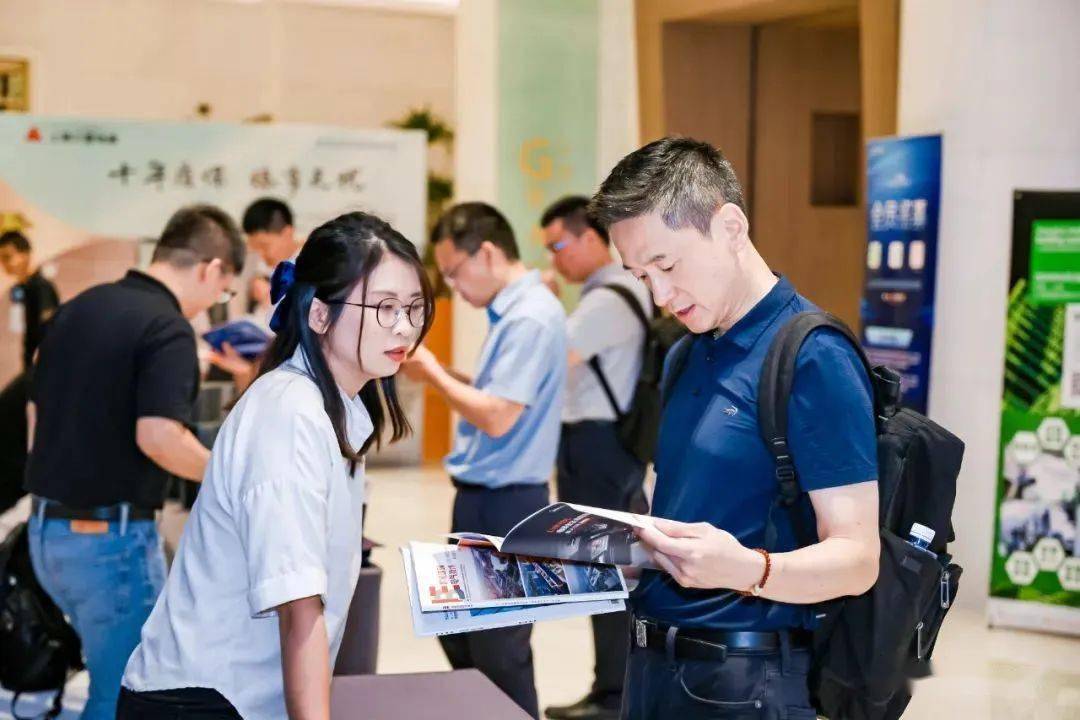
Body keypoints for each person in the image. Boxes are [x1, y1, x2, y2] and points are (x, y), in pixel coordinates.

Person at [589, 137, 880, 719]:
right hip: (649, 666)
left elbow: (858, 559)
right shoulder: (685, 353)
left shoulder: (812, 355)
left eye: (667, 265)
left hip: (744, 681)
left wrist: (747, 569)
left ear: (730, 227)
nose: (661, 295)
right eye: (642, 276)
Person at [121, 211, 433, 720]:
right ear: (319, 315)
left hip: (240, 694)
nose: (405, 327)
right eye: (384, 307)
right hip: (205, 699)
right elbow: (299, 608)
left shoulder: (333, 404)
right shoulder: (290, 414)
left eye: (415, 308)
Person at [25, 205, 245, 720]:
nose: (213, 304)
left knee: (106, 683)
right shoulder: (168, 329)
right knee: (122, 695)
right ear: (211, 268)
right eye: (223, 291)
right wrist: (233, 476)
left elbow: (35, 415)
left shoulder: (77, 310)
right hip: (109, 544)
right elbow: (160, 437)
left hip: (45, 536)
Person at [402, 202, 567, 719]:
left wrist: (433, 374)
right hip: (486, 501)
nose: (453, 287)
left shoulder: (530, 316)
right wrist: (443, 373)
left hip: (507, 505)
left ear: (488, 253)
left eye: (454, 272)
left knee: (499, 649)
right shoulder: (513, 314)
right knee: (461, 633)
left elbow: (497, 417)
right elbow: (500, 396)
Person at [538, 196, 652, 720]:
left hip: (597, 447)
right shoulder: (613, 292)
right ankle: (611, 690)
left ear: (589, 237)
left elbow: (552, 361)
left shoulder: (608, 299)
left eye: (558, 245)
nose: (555, 258)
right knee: (606, 570)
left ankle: (612, 697)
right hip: (605, 446)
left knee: (606, 574)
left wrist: (543, 307)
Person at [210, 198, 301, 387]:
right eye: (255, 249)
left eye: (265, 246)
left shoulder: (309, 270)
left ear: (287, 233)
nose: (261, 255)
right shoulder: (261, 273)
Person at [0, 229, 60, 371]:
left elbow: (49, 329)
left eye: (8, 257)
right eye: (2, 259)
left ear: (25, 254)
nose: (5, 264)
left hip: (43, 367)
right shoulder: (25, 288)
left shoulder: (41, 287)